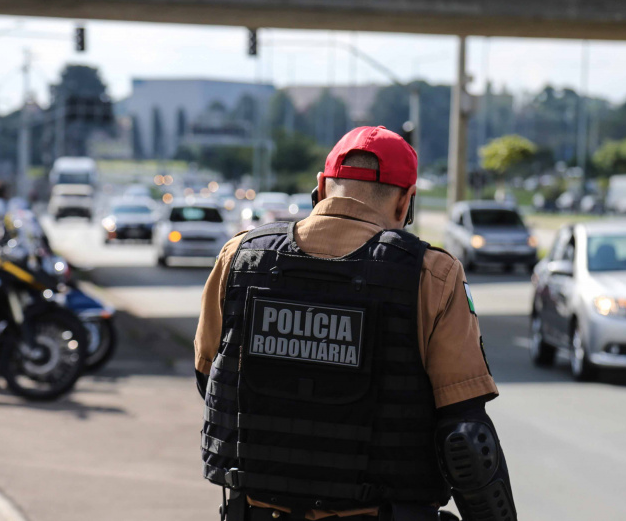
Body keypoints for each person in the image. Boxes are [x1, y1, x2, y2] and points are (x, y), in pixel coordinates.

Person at [195, 126, 517, 521]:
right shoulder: (431, 275)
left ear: (321, 186)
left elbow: (209, 380)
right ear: (406, 203)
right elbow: (465, 435)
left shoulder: (240, 257)